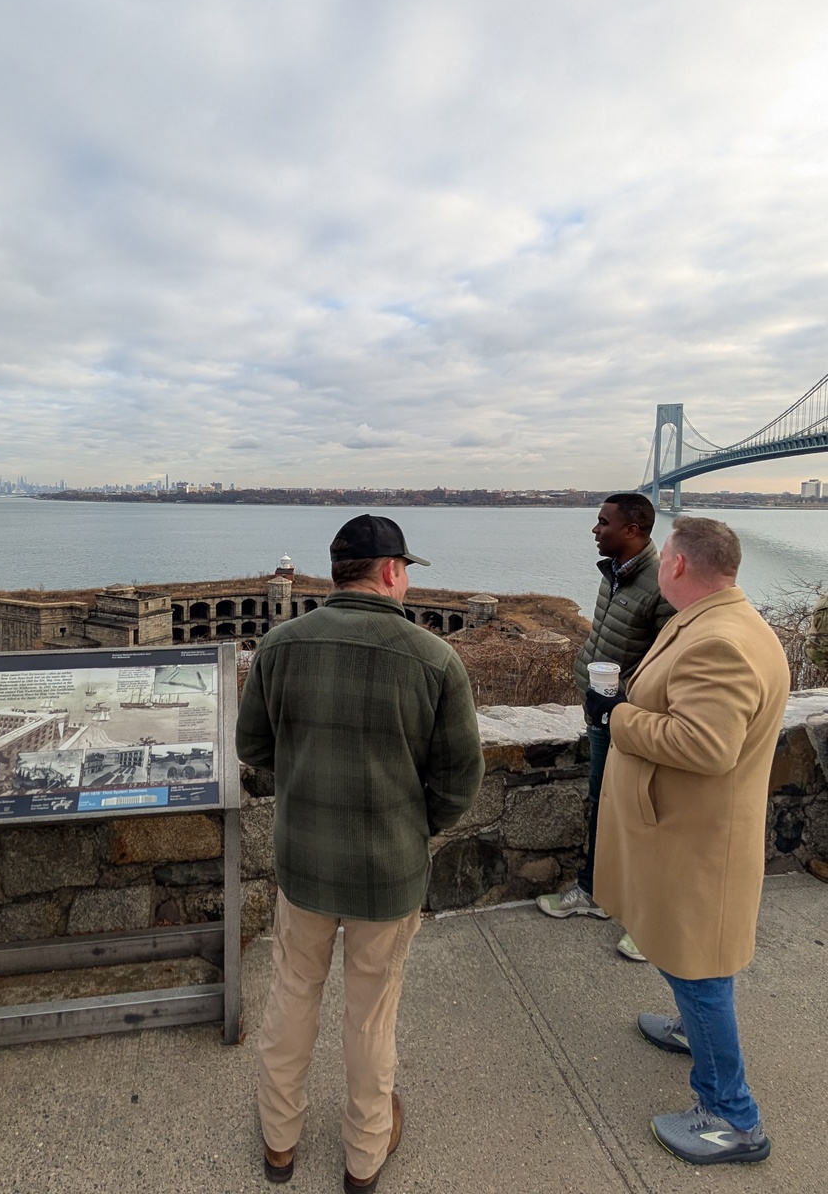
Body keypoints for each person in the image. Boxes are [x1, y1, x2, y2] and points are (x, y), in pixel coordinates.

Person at [236, 514, 484, 1192]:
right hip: (388, 871)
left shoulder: (281, 646)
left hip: (304, 866)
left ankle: (279, 1142)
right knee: (371, 1015)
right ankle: (364, 1157)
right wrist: (412, 826)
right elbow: (461, 780)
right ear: (393, 571)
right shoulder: (436, 660)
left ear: (337, 571)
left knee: (291, 997)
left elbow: (253, 751)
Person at [590, 516, 790, 1165]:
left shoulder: (720, 641)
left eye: (664, 556)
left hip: (697, 844)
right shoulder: (716, 619)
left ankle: (732, 1117)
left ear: (677, 566)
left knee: (698, 967)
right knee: (690, 954)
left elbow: (706, 745)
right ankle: (691, 1033)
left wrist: (617, 716)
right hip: (688, 833)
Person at [536, 493, 674, 959]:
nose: (595, 530)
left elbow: (670, 661)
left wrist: (625, 701)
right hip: (600, 712)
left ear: (633, 529)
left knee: (643, 814)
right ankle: (594, 892)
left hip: (632, 719)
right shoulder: (614, 573)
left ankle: (654, 921)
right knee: (602, 802)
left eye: (602, 522)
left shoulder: (660, 584)